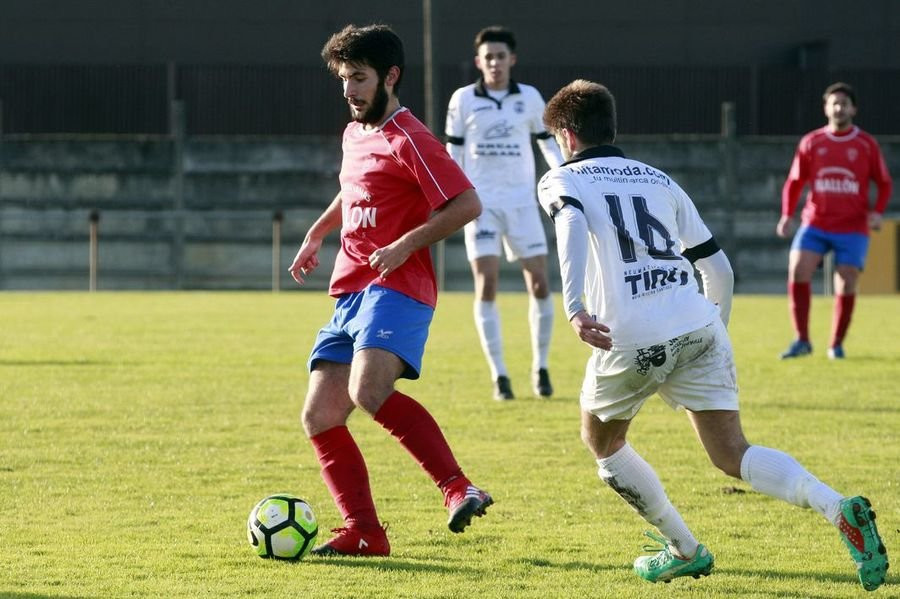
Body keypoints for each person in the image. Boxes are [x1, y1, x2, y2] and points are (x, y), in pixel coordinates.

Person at [537, 79, 888, 589]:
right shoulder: (659, 179)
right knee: (732, 454)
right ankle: (837, 508)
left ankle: (685, 549)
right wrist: (708, 335)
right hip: (698, 322)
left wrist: (573, 307)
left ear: (566, 137)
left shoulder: (561, 178)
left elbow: (569, 224)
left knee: (602, 440)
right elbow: (718, 270)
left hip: (629, 334)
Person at [288, 24, 492, 557]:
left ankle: (458, 487)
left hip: (398, 284)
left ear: (390, 77)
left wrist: (404, 245)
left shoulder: (411, 137)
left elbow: (467, 205)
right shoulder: (354, 132)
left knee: (368, 391)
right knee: (319, 416)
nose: (349, 90)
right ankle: (364, 533)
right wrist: (318, 231)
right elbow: (352, 188)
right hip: (350, 290)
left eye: (359, 78)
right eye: (343, 79)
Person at [445, 26, 564, 401]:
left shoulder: (528, 98)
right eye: (488, 57)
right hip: (481, 207)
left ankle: (540, 368)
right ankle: (500, 376)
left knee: (540, 283)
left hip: (522, 204)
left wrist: (564, 178)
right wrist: (451, 196)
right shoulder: (463, 100)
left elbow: (548, 144)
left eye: (501, 56)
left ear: (512, 59)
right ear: (479, 62)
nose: (494, 63)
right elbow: (453, 154)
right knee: (487, 285)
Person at [776, 82, 893, 360]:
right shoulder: (812, 142)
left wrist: (877, 211)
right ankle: (802, 340)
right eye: (834, 103)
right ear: (826, 108)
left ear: (853, 108)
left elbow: (884, 183)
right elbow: (794, 182)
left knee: (846, 280)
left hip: (852, 226)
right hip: (815, 222)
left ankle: (836, 344)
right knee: (798, 270)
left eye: (844, 103)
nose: (839, 108)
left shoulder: (865, 144)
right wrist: (786, 215)